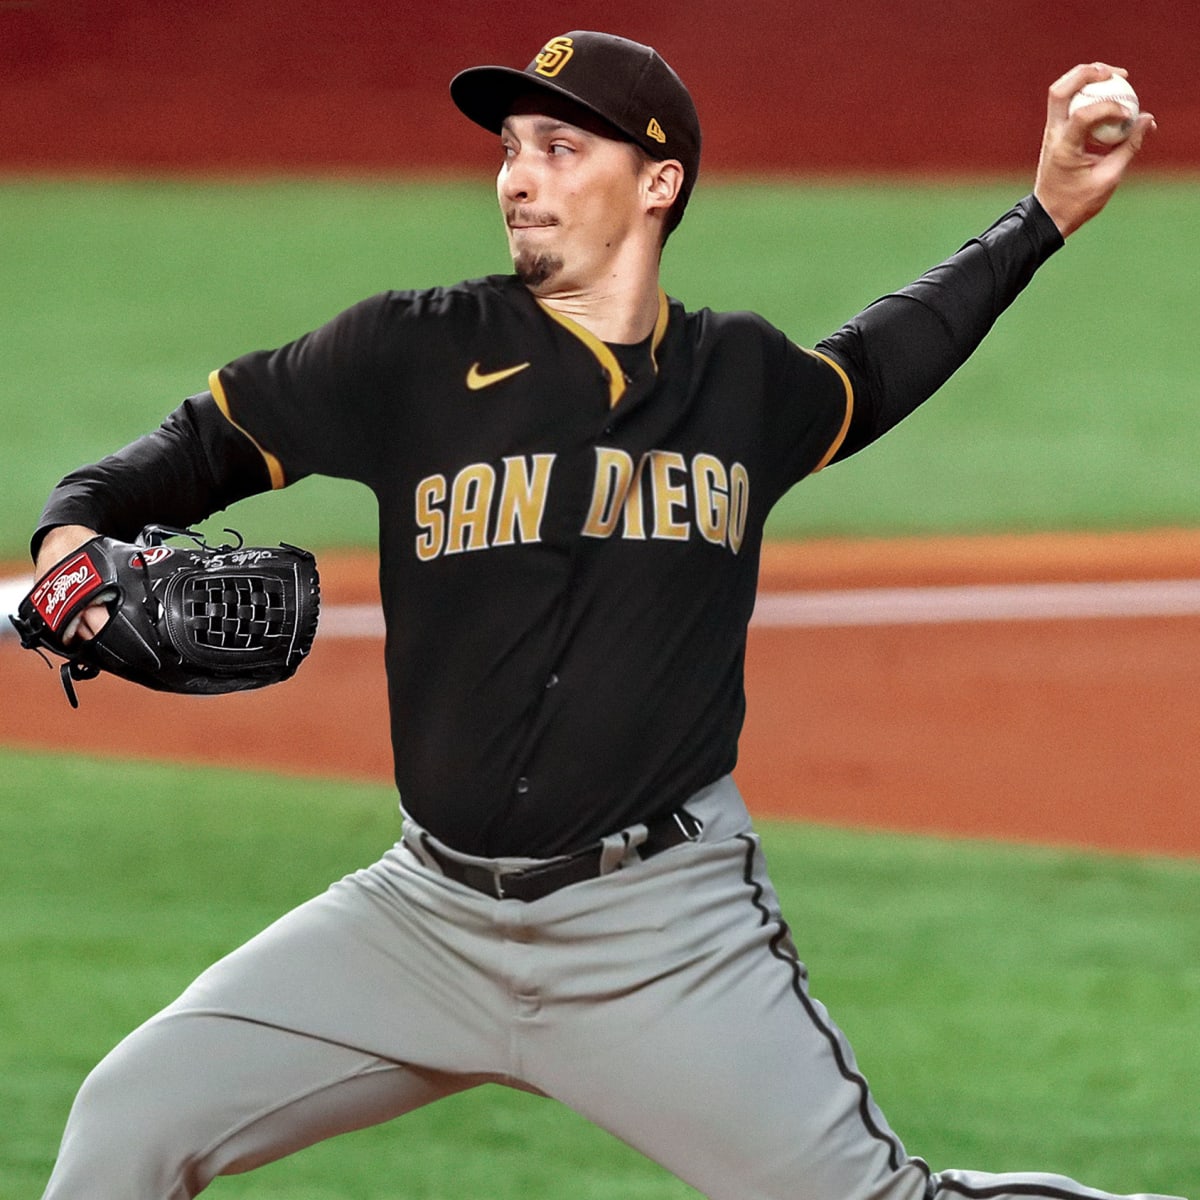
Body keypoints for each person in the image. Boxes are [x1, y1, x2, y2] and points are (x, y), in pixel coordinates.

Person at [29, 30, 1175, 1200]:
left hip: (660, 936)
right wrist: (71, 530)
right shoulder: (412, 350)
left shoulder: (740, 381)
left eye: (560, 148)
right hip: (421, 921)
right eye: (511, 150)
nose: (518, 179)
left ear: (659, 180)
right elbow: (201, 444)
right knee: (130, 1123)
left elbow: (876, 368)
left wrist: (1043, 214)